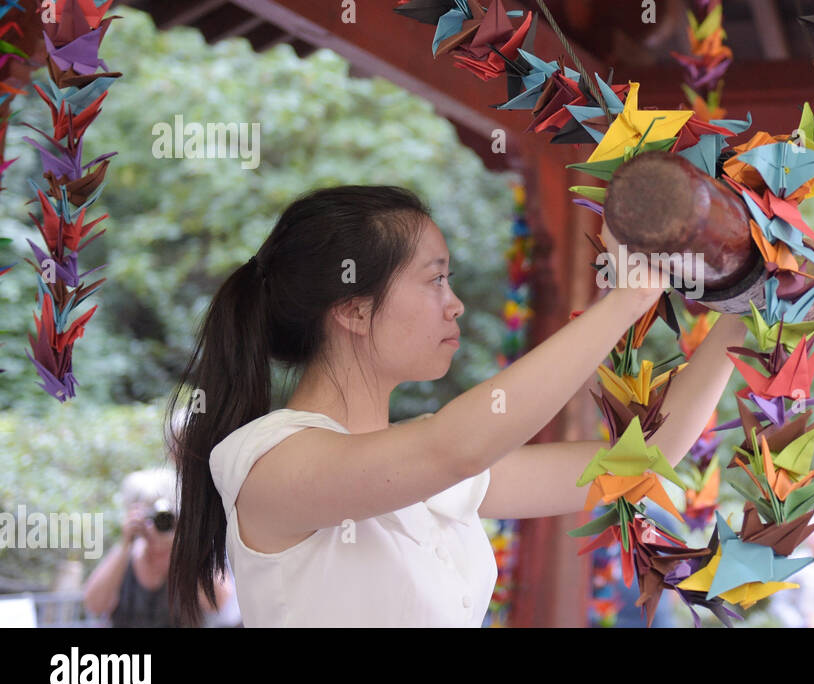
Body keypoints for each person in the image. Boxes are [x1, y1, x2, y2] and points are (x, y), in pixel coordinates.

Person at [166, 185, 746, 627]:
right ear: (354, 310)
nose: (456, 305)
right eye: (435, 280)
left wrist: (745, 301)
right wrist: (629, 298)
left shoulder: (426, 467)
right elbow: (454, 448)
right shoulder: (267, 459)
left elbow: (640, 463)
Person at [83, 467, 232, 627]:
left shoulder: (190, 556)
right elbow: (94, 605)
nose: (157, 525)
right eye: (151, 516)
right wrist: (125, 544)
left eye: (166, 517)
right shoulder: (124, 556)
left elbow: (218, 602)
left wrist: (184, 547)